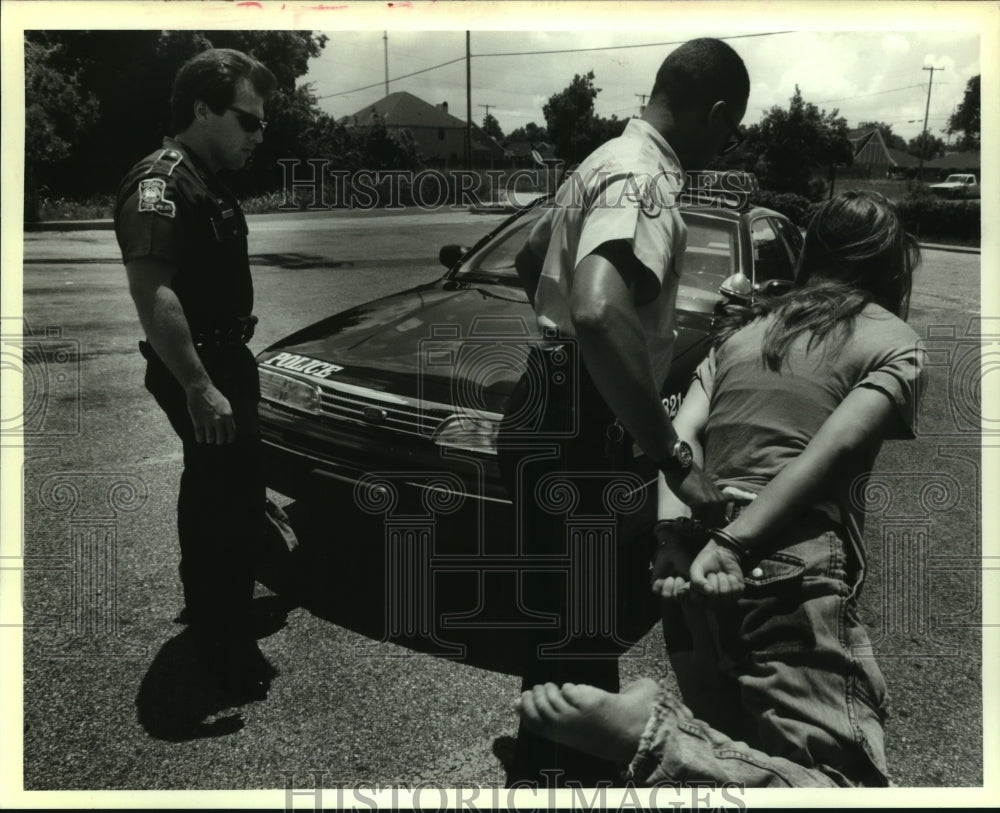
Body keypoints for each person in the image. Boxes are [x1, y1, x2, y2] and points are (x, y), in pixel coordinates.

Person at [516, 190, 927, 788]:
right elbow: (831, 449)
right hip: (780, 558)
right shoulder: (895, 341)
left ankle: (661, 739)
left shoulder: (744, 333)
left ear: (812, 253)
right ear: (891, 265)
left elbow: (681, 436)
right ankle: (651, 737)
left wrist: (669, 538)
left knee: (733, 751)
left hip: (691, 563)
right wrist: (735, 545)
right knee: (842, 784)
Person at [497, 38, 749, 784]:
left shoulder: (601, 157)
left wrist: (562, 342)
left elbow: (529, 256)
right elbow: (602, 311)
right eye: (729, 130)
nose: (725, 143)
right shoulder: (645, 180)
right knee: (581, 621)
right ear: (714, 113)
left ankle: (541, 757)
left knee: (549, 611)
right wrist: (676, 454)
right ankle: (575, 775)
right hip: (580, 417)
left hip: (543, 395)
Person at [114, 48, 278, 699]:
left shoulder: (204, 176)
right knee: (223, 499)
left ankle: (214, 607)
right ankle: (221, 639)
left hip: (220, 358)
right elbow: (154, 291)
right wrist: (200, 384)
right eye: (249, 121)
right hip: (200, 366)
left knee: (221, 487)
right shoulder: (161, 181)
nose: (258, 136)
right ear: (203, 109)